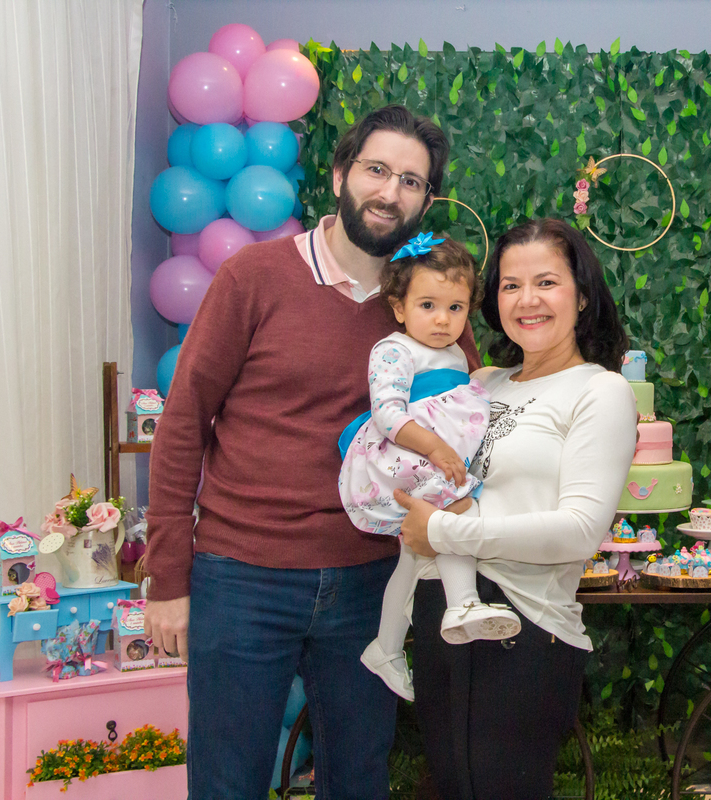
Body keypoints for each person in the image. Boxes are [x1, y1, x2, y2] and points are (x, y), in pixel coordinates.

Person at [143, 105, 477, 800]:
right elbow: (183, 424)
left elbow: (467, 431)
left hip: (369, 584)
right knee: (228, 783)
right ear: (338, 175)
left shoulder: (434, 307)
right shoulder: (253, 278)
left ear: (427, 200)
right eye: (377, 170)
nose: (391, 192)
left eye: (411, 181)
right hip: (242, 578)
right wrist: (170, 578)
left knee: (358, 781)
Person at [392, 218, 638, 799]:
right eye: (509, 285)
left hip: (523, 628)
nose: (527, 300)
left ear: (581, 294)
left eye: (546, 282)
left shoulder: (600, 391)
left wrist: (446, 533)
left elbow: (579, 532)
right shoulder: (479, 382)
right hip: (440, 611)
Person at [338, 235, 521, 703]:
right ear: (398, 307)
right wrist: (437, 447)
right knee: (455, 508)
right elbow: (388, 413)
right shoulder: (394, 350)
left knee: (412, 555)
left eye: (456, 308)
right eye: (428, 305)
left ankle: (386, 647)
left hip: (432, 457)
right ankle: (462, 603)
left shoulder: (457, 353)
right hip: (403, 457)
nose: (443, 319)